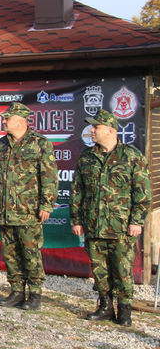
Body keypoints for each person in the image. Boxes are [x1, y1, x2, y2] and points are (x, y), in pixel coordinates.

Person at [70, 109, 150, 326]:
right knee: (99, 268)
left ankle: (124, 310)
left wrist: (137, 221)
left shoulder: (132, 157)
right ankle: (105, 306)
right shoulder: (87, 158)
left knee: (123, 269)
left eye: (96, 127)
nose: (92, 131)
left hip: (122, 227)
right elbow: (77, 191)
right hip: (94, 225)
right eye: (92, 127)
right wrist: (76, 219)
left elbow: (142, 192)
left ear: (111, 130)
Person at [0, 102, 58, 310]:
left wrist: (46, 205)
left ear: (21, 121)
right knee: (10, 253)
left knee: (31, 252)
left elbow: (50, 177)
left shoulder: (40, 144)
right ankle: (16, 291)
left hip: (29, 211)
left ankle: (34, 294)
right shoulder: (1, 144)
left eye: (7, 118)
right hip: (5, 210)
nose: (4, 121)